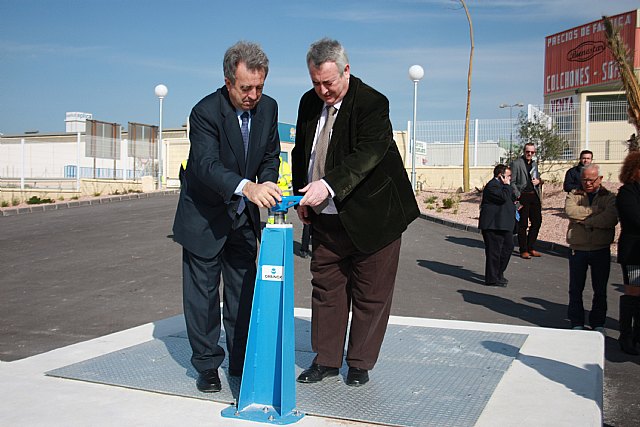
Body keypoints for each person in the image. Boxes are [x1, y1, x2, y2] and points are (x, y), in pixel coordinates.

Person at [291, 38, 419, 387]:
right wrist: (301, 194)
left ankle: (359, 362)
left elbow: (368, 153)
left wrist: (327, 186)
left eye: (329, 82)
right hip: (326, 216)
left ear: (346, 70)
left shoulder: (372, 102)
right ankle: (327, 360)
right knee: (326, 289)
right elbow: (303, 151)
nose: (322, 91)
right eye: (315, 82)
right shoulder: (308, 102)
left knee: (370, 293)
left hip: (375, 217)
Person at [172, 41, 282, 393]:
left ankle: (240, 361)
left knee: (243, 293)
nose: (253, 96)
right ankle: (206, 365)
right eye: (245, 88)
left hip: (243, 219)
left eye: (259, 88)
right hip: (205, 217)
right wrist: (247, 187)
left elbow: (270, 155)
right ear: (227, 80)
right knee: (203, 298)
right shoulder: (205, 112)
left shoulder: (269, 109)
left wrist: (266, 179)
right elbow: (205, 166)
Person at [564, 163, 617, 333]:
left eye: (591, 180)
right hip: (578, 249)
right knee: (575, 288)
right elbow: (571, 212)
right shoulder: (574, 195)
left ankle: (598, 322)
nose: (587, 183)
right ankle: (576, 321)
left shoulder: (609, 197)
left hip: (600, 248)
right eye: (584, 180)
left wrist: (585, 221)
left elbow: (609, 219)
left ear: (599, 179)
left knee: (599, 289)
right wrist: (594, 210)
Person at [616, 151, 640, 354]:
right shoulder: (627, 192)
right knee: (633, 294)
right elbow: (635, 220)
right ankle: (626, 336)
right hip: (634, 254)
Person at [479, 164, 517, 287]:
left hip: (503, 224)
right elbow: (503, 197)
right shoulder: (492, 186)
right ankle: (492, 278)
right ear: (501, 176)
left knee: (508, 248)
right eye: (508, 176)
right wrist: (506, 186)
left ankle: (498, 273)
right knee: (494, 252)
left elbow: (511, 197)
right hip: (493, 225)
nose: (510, 179)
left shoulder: (502, 186)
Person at [510, 143, 543, 259]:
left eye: (532, 152)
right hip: (522, 196)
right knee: (523, 224)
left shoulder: (534, 164)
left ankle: (531, 246)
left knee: (537, 222)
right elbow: (512, 181)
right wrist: (517, 195)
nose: (529, 154)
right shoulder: (516, 163)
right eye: (528, 152)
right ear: (524, 151)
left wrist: (539, 182)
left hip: (533, 195)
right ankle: (523, 249)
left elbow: (537, 178)